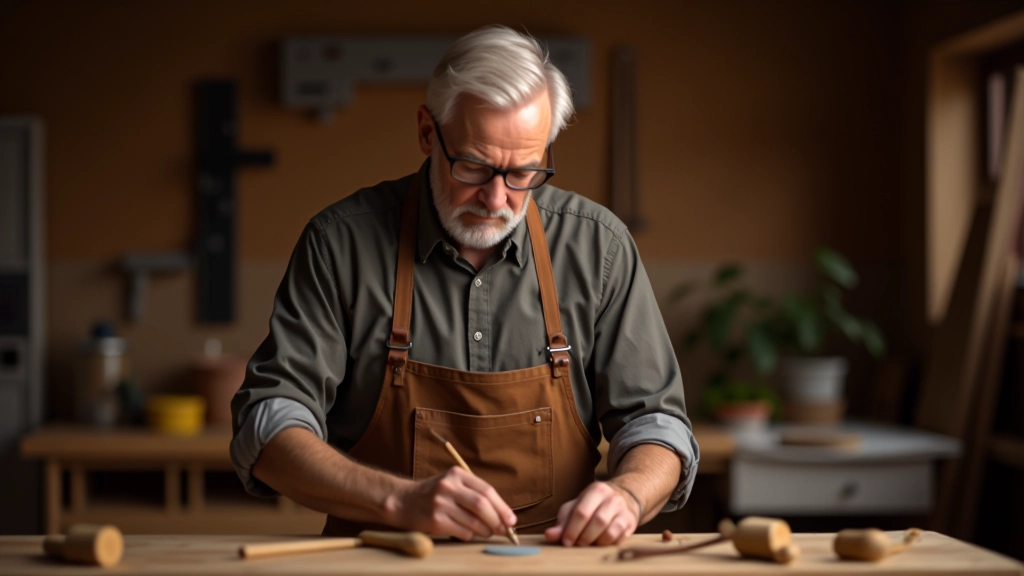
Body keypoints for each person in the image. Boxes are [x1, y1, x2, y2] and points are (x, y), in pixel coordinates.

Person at [230, 25, 698, 547]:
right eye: (474, 166)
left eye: (523, 172)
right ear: (428, 133)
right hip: (384, 560)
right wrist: (396, 501)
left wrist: (629, 495)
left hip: (553, 561)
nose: (497, 199)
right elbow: (267, 423)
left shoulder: (599, 248)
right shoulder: (340, 244)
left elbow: (657, 424)